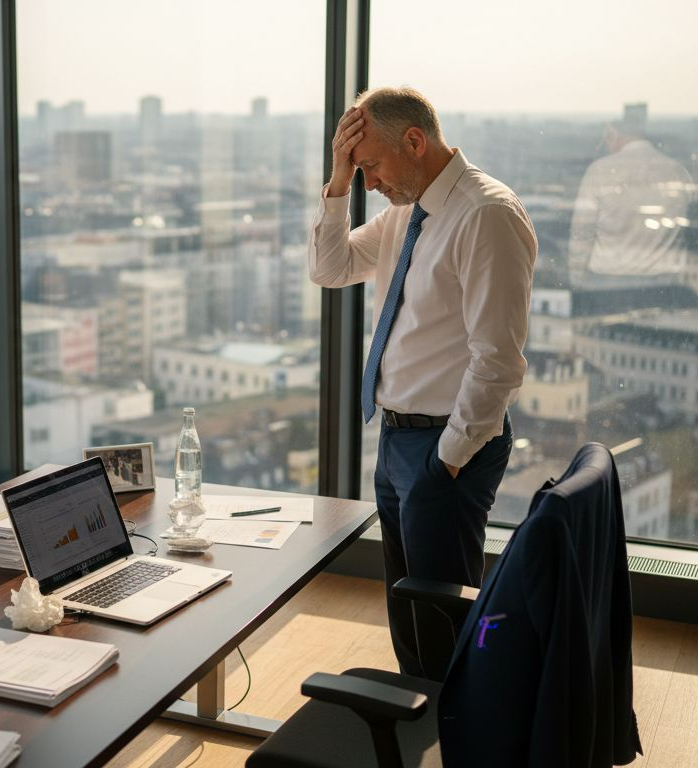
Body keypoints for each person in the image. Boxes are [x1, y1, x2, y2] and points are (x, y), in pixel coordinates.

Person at [309, 87, 536, 681]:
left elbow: (498, 361)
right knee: (410, 605)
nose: (371, 183)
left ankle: (463, 728)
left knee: (446, 615)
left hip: (445, 445)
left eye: (373, 167)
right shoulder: (408, 211)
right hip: (397, 439)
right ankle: (414, 720)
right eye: (361, 173)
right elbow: (330, 269)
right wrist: (338, 178)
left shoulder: (485, 214)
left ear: (415, 141)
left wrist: (448, 462)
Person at [568, 116, 693, 290]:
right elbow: (686, 229)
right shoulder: (678, 171)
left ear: (613, 134)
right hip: (663, 280)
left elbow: (582, 231)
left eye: (605, 139)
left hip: (607, 278)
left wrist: (576, 278)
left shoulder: (600, 171)